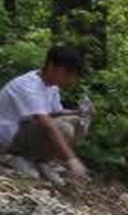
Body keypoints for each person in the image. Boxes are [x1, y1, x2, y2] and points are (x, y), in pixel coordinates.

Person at [0, 46, 91, 185]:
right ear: (51, 66)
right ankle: (17, 157)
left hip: (26, 131)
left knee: (79, 122)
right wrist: (72, 159)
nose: (70, 78)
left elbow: (55, 112)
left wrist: (79, 112)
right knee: (63, 127)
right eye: (67, 73)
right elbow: (46, 123)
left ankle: (42, 161)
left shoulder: (52, 86)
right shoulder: (28, 86)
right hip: (9, 137)